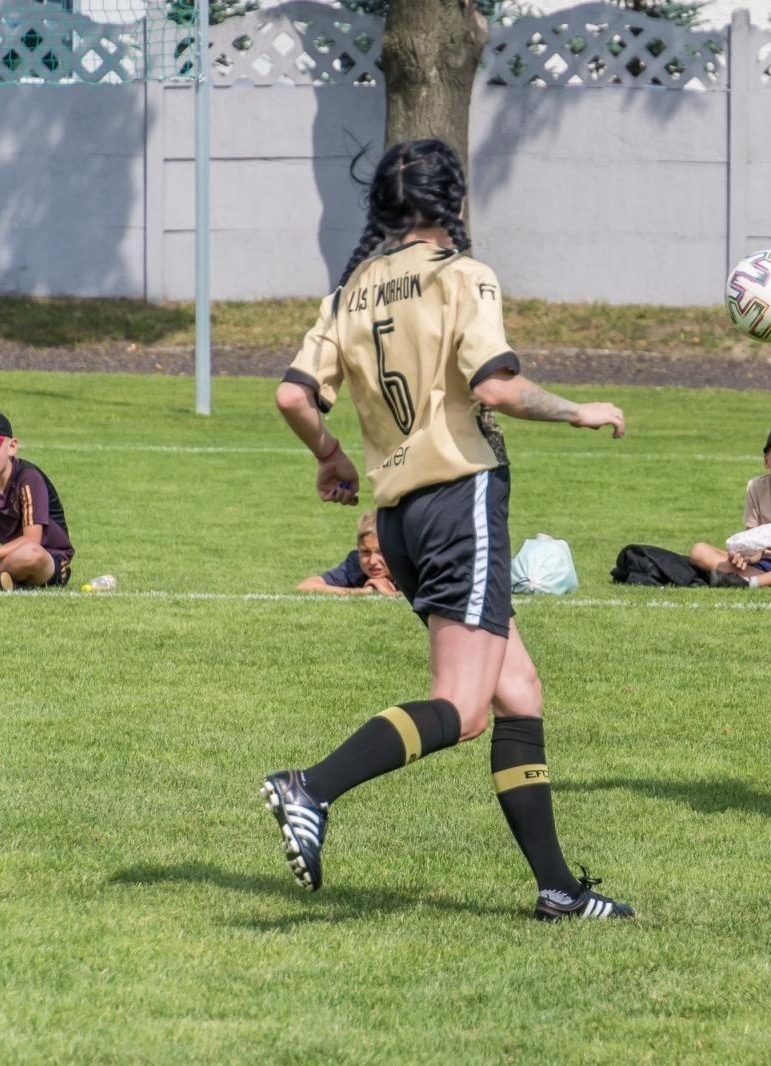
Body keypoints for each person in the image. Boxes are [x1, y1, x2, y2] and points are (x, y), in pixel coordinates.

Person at [265, 138, 635, 920]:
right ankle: (311, 788)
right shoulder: (461, 276)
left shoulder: (349, 294)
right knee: (462, 709)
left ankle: (559, 891)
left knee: (519, 691)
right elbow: (495, 388)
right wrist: (579, 410)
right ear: (450, 203)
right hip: (459, 502)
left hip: (398, 517)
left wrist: (331, 457)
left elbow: (293, 396)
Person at [689, 423, 771, 589]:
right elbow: (755, 548)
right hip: (765, 563)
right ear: (766, 460)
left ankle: (754, 582)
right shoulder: (756, 487)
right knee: (699, 551)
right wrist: (743, 556)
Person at [0, 412, 75, 592]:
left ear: (12, 447)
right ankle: (8, 579)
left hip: (48, 557)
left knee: (30, 554)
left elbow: (32, 539)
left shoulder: (28, 477)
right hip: (8, 557)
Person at [297, 511, 401, 596]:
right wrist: (362, 592)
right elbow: (305, 586)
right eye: (365, 552)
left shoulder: (411, 562)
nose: (372, 561)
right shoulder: (355, 564)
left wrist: (393, 594)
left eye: (381, 552)